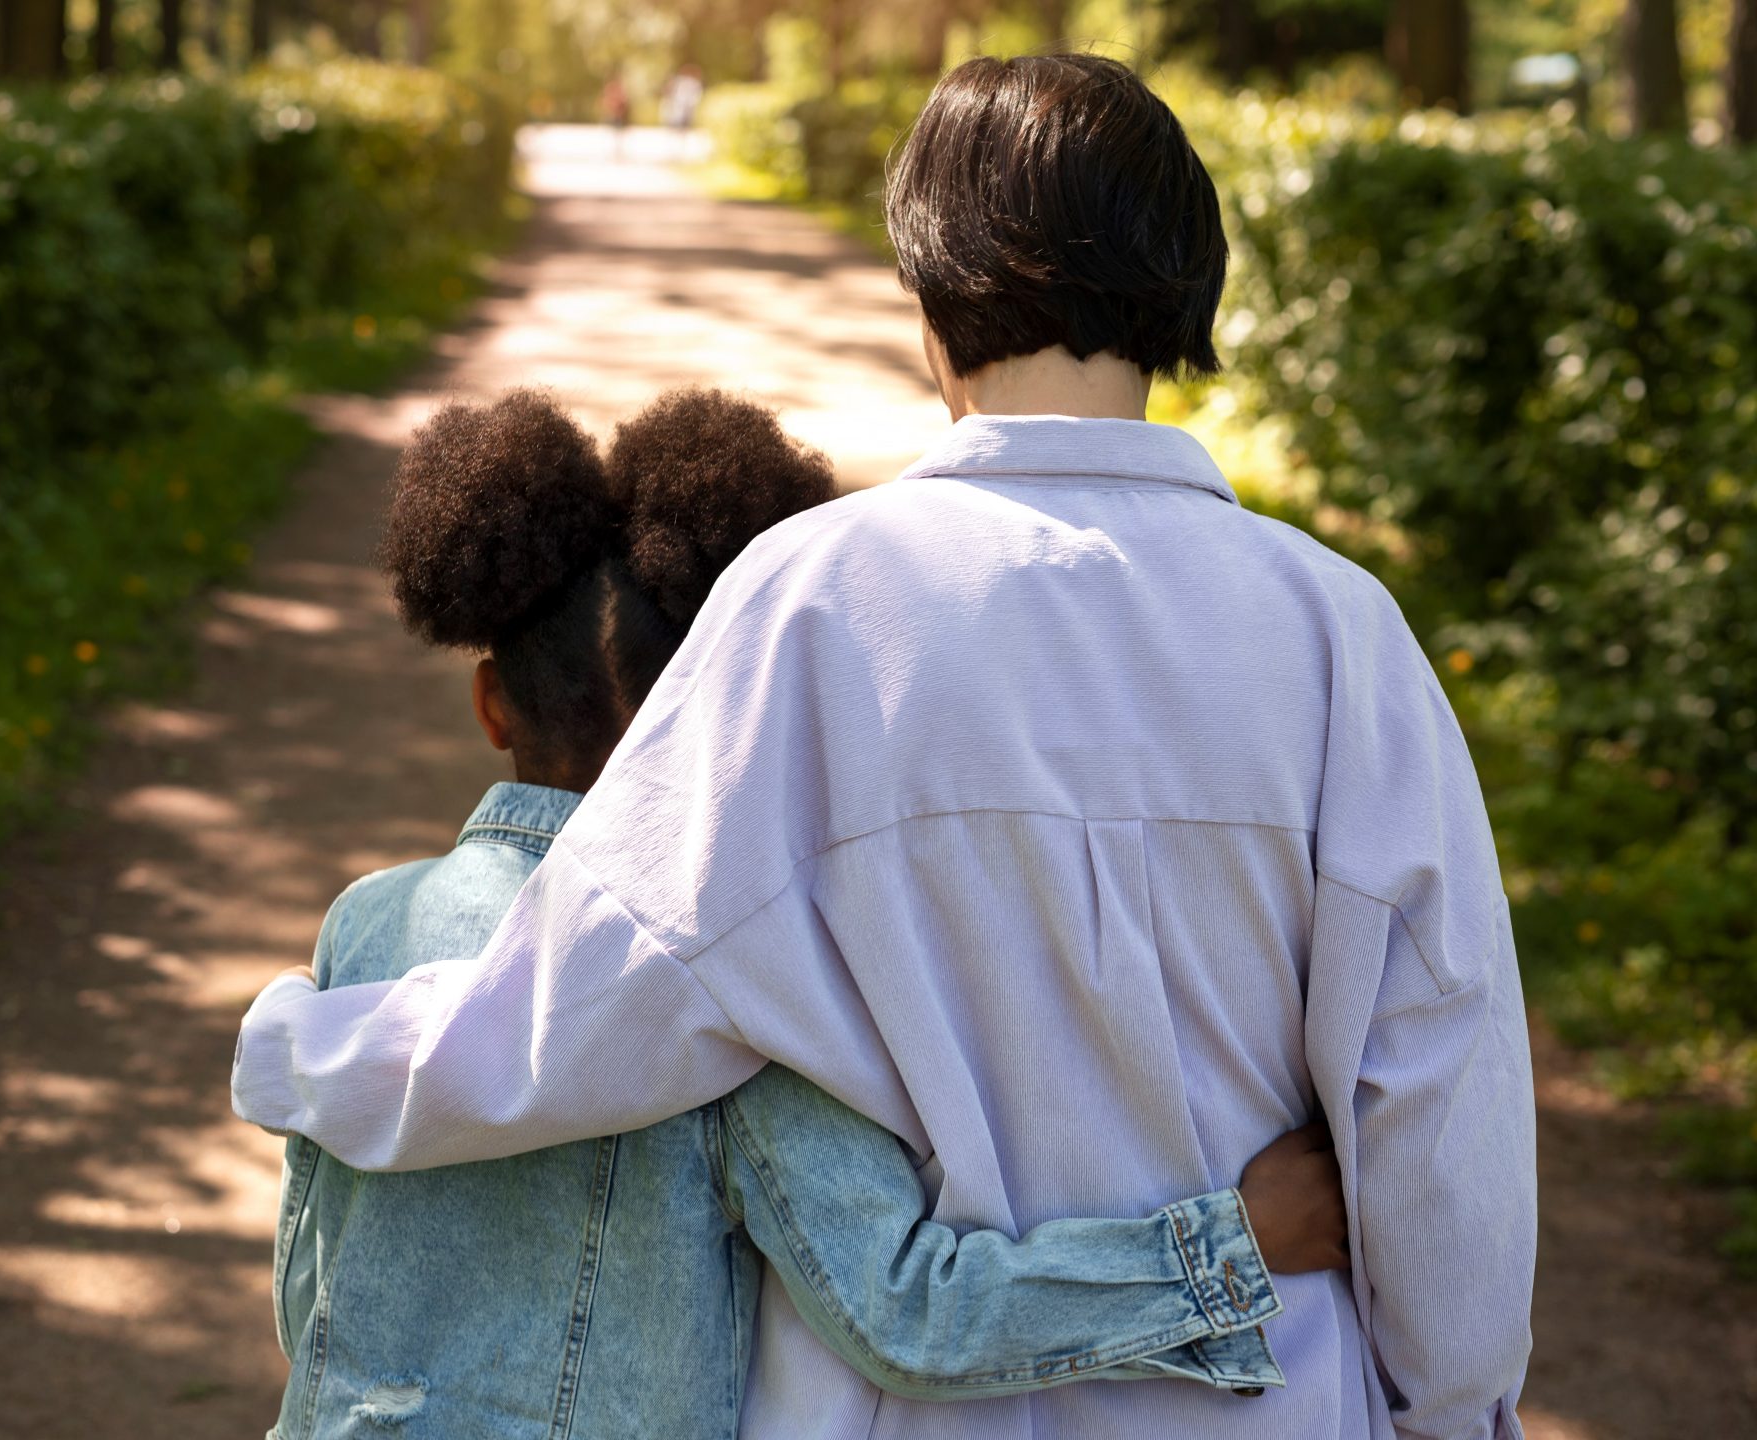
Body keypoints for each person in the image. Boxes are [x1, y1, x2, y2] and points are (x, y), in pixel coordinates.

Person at [235, 53, 1535, 1440]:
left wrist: (296, 1055)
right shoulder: (1342, 636)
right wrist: (1452, 1411)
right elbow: (1437, 1091)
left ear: (925, 302)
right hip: (1274, 1389)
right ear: (1184, 289)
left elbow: (590, 1012)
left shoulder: (812, 604)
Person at [264, 387, 1352, 1439]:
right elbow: (904, 1316)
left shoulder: (364, 929)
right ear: (724, 709)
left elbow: (307, 1289)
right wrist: (1232, 1250)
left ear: (490, 705)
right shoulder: (736, 972)